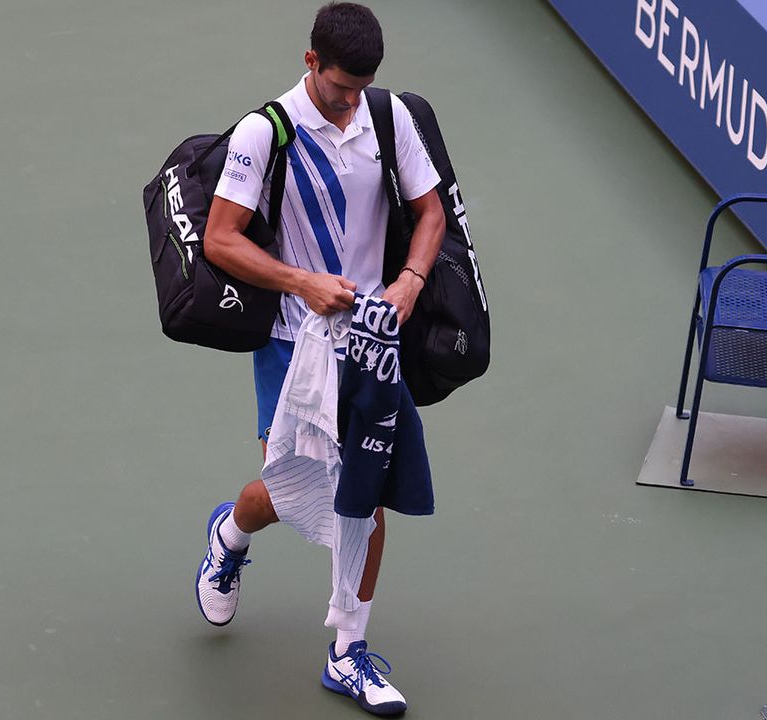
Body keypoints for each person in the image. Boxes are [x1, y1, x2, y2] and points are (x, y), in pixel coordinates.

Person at [195, 2, 445, 715]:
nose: (348, 100)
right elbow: (221, 238)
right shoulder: (264, 131)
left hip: (370, 343)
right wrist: (302, 282)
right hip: (291, 343)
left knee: (366, 495)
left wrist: (409, 281)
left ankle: (348, 653)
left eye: (360, 87)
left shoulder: (388, 120)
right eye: (338, 87)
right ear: (311, 63)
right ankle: (230, 534)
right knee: (292, 492)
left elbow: (431, 212)